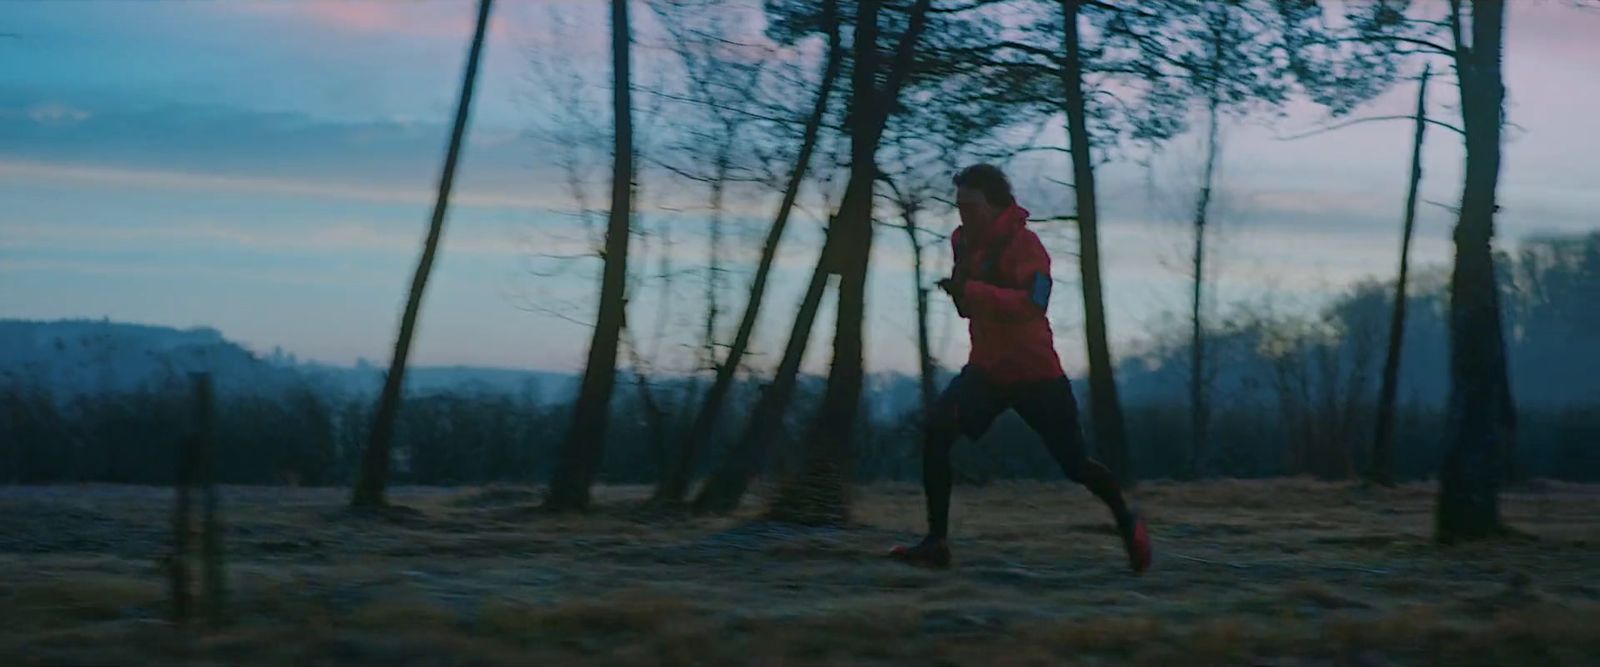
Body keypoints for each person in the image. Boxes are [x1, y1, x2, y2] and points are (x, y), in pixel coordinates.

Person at [888, 164, 1152, 573]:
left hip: (1036, 374)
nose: (963, 215)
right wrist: (958, 292)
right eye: (958, 206)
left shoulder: (1028, 246)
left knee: (1075, 464)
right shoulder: (961, 242)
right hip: (987, 372)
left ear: (997, 205)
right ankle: (935, 543)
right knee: (936, 431)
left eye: (971, 206)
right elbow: (967, 308)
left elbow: (1034, 303)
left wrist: (973, 291)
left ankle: (1126, 520)